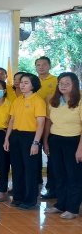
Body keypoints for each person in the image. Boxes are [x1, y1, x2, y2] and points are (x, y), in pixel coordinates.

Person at [4, 73, 46, 211]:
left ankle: (30, 200)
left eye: (26, 82)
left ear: (33, 85)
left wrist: (35, 143)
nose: (22, 85)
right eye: (21, 82)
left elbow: (40, 124)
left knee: (30, 169)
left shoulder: (38, 101)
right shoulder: (17, 100)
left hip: (30, 137)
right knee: (17, 168)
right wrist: (7, 139)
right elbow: (12, 120)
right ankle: (18, 197)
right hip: (16, 135)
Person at [43, 72, 82, 219]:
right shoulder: (54, 102)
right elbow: (48, 122)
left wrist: (80, 149)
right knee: (59, 175)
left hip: (74, 141)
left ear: (74, 85)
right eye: (61, 83)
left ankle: (72, 209)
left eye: (67, 83)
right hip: (56, 140)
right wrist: (46, 141)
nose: (63, 85)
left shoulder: (80, 101)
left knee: (74, 176)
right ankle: (60, 204)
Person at [35, 56, 58, 199]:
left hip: (52, 124)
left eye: (44, 64)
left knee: (52, 157)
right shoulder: (32, 81)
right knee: (34, 154)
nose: (41, 67)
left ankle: (51, 188)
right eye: (38, 65)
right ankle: (36, 183)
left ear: (50, 66)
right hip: (34, 125)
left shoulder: (57, 81)